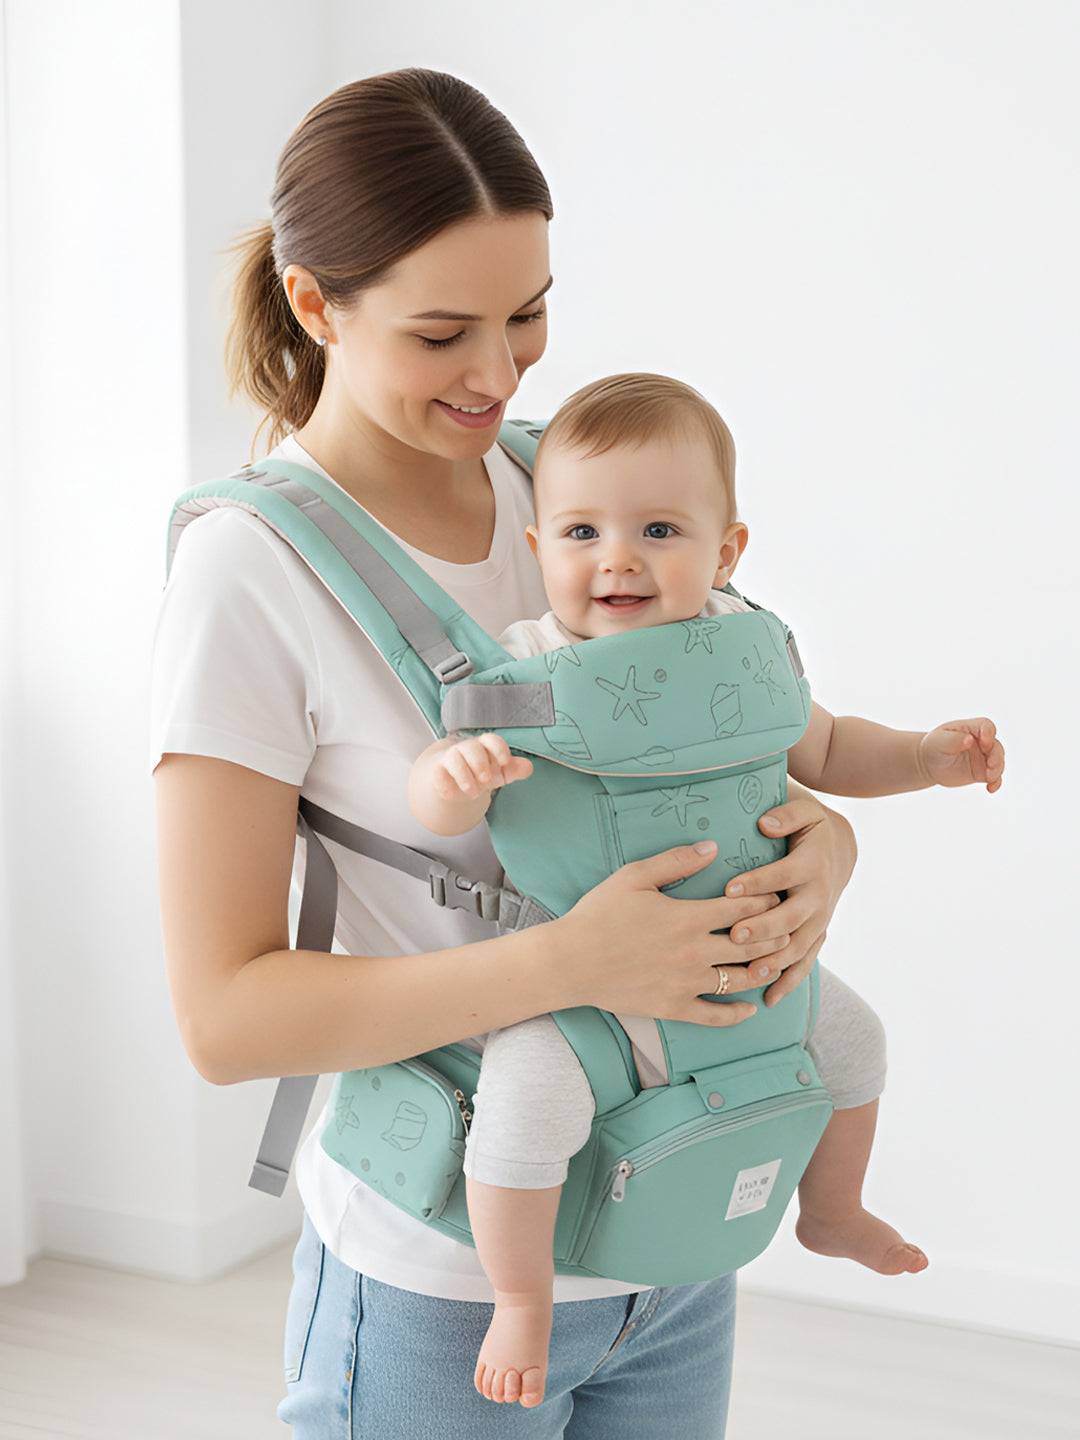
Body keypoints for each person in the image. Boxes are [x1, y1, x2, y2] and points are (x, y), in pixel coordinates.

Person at [154, 70, 863, 1439]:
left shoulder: (574, 489)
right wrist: (571, 963)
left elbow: (738, 738)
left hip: (672, 1225)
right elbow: (222, 1017)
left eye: (530, 314)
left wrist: (823, 843)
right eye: (442, 333)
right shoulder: (249, 570)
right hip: (439, 1282)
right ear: (314, 304)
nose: (500, 374)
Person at [409, 371, 1005, 1409]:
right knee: (522, 1109)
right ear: (541, 548)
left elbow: (823, 745)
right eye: (582, 532)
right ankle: (521, 1295)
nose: (618, 558)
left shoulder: (748, 642)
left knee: (855, 1044)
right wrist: (452, 783)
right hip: (588, 986)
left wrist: (928, 756)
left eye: (658, 529)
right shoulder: (524, 667)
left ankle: (833, 1208)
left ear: (725, 551)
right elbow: (437, 791)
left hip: (749, 968)